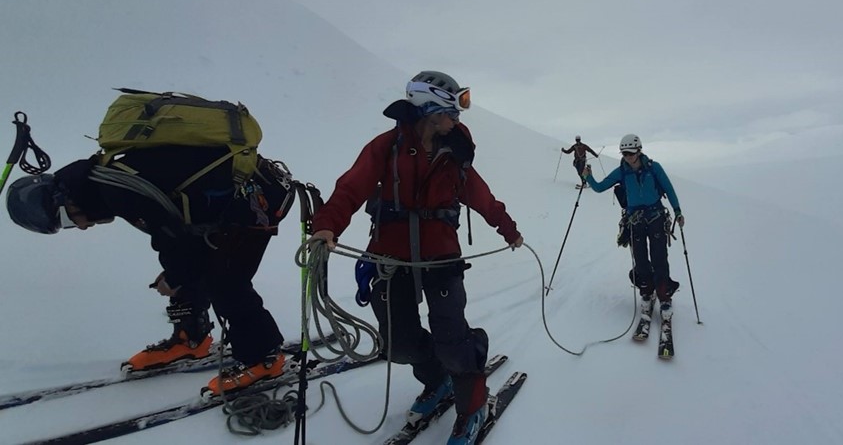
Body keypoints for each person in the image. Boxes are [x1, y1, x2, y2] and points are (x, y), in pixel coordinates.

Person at [308, 70, 523, 445]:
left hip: (441, 258)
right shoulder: (387, 146)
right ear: (430, 109)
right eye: (451, 112)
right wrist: (327, 226)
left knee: (453, 341)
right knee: (399, 343)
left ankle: (473, 406)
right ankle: (437, 380)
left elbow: (482, 196)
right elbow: (351, 186)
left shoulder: (455, 154)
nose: (457, 120)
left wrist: (508, 228)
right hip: (391, 258)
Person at [5, 146, 288, 396]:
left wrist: (175, 277)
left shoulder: (116, 188)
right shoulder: (106, 180)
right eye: (66, 225)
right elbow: (176, 236)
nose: (79, 226)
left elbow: (174, 240)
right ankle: (192, 338)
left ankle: (262, 357)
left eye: (66, 218)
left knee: (224, 279)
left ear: (64, 197)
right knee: (194, 263)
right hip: (230, 199)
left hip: (256, 198)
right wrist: (176, 274)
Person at [582, 134, 684, 322]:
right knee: (640, 258)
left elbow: (669, 189)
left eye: (630, 152)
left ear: (639, 150)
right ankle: (646, 291)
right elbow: (599, 187)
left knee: (659, 257)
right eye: (624, 153)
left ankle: (663, 295)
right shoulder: (621, 171)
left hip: (656, 217)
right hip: (635, 221)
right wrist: (588, 177)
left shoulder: (654, 168)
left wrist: (677, 211)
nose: (627, 156)